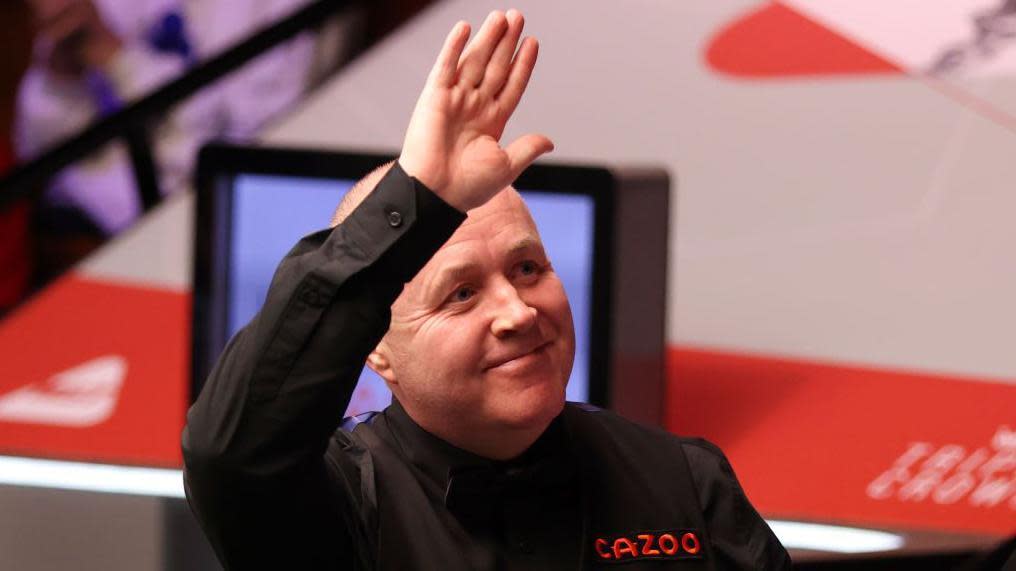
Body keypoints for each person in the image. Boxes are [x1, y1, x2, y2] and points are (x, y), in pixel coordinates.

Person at [183, 9, 791, 570]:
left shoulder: (683, 479)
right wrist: (415, 198)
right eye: (461, 294)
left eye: (528, 269)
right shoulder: (338, 501)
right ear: (375, 348)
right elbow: (229, 455)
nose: (517, 312)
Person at [15, 0, 324, 234]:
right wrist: (62, 70)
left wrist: (116, 57)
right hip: (88, 228)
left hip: (200, 225)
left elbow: (245, 144)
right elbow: (34, 146)